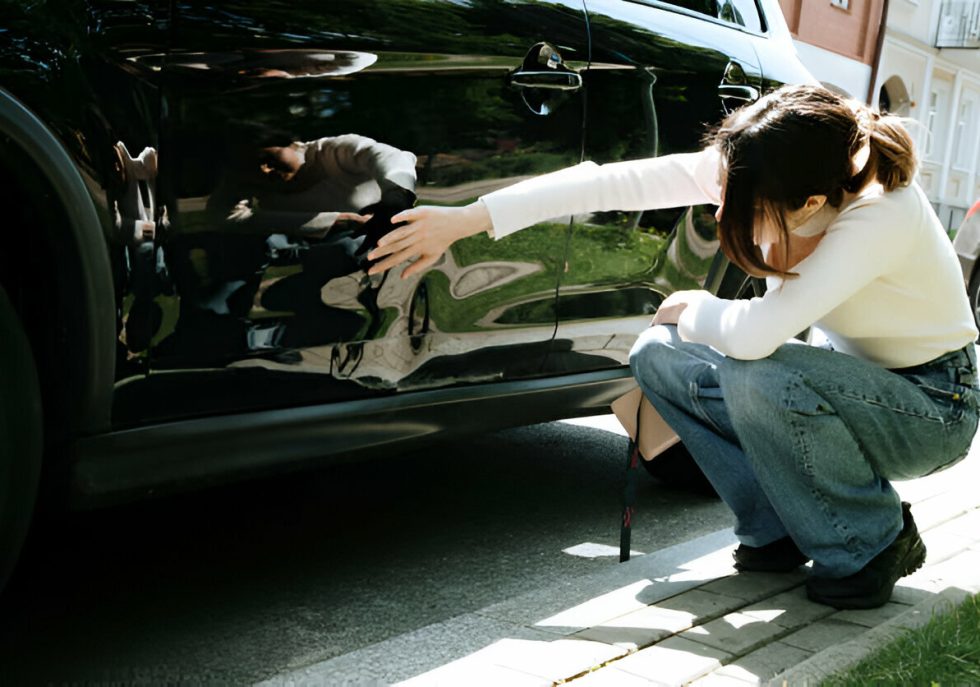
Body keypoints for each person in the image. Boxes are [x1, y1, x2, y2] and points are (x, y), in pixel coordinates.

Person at [365, 84, 980, 610]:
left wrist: (695, 305)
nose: (720, 209)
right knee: (658, 354)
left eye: (736, 204)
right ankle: (778, 529)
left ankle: (870, 541)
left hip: (933, 405)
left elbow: (756, 335)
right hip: (845, 385)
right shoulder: (771, 168)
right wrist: (468, 219)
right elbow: (611, 182)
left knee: (756, 369)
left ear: (812, 203)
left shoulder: (879, 213)